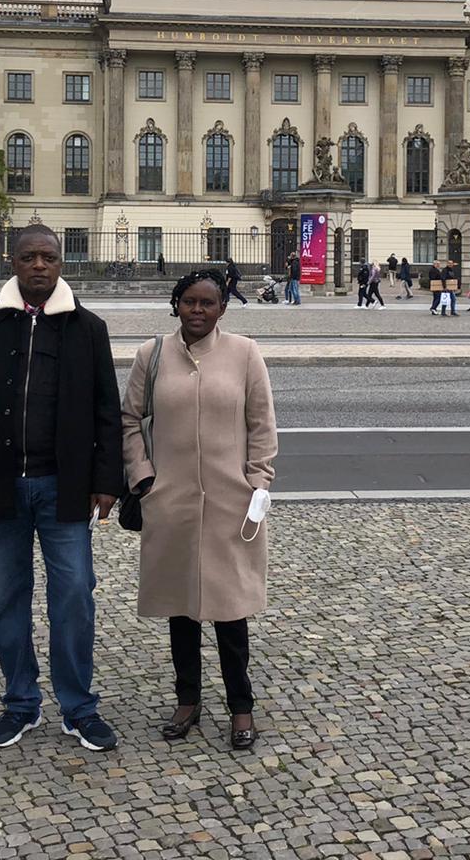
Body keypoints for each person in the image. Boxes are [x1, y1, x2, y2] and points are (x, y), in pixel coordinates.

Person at [0, 224, 123, 753]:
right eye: (29, 256)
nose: (40, 265)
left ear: (62, 264)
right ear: (13, 263)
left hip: (64, 488)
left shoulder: (89, 329)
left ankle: (78, 706)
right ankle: (21, 702)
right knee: (7, 600)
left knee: (76, 597)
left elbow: (108, 411)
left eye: (49, 257)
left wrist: (107, 481)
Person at [122, 269, 277, 750]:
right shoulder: (151, 355)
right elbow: (129, 420)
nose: (197, 310)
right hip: (171, 500)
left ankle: (241, 705)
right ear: (176, 304)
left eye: (207, 303)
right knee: (181, 609)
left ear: (222, 309)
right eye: (189, 301)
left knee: (231, 612)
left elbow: (261, 422)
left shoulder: (244, 353)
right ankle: (187, 699)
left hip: (232, 501)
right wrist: (142, 474)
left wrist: (258, 480)